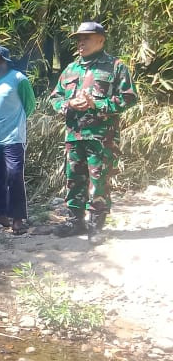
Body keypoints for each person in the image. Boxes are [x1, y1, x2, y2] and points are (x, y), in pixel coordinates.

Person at [49, 21, 138, 237]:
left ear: (101, 39)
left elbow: (129, 98)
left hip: (101, 137)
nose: (81, 42)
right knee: (74, 179)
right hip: (74, 135)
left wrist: (96, 104)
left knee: (99, 180)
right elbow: (55, 97)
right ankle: (74, 221)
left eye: (86, 38)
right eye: (79, 38)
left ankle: (96, 226)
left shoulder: (116, 66)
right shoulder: (71, 68)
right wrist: (68, 104)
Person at [0, 46, 36, 234]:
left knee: (14, 176)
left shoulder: (19, 79)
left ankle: (18, 218)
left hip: (13, 137)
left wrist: (17, 122)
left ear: (3, 60)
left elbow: (30, 105)